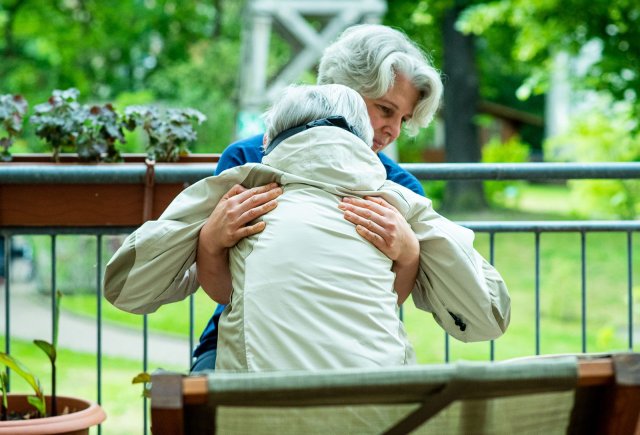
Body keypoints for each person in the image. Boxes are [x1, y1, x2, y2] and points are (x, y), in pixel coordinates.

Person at [102, 84, 510, 371]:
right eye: (386, 111)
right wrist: (411, 254)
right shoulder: (397, 201)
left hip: (259, 413)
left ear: (273, 136)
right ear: (361, 136)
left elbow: (129, 286)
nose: (395, 129)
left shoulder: (243, 187)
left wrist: (208, 241)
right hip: (377, 412)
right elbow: (489, 314)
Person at [191, 24, 445, 371]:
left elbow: (386, 300)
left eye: (404, 118)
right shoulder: (247, 162)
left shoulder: (401, 188)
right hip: (244, 338)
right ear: (340, 89)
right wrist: (209, 240)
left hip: (353, 348)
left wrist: (410, 254)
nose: (394, 130)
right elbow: (225, 288)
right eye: (385, 109)